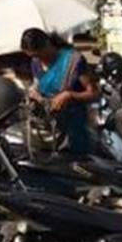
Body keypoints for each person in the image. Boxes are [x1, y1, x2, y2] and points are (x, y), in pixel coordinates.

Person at [21, 27, 99, 156]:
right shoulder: (35, 63)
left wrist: (69, 95)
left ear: (47, 44)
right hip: (49, 130)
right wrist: (34, 93)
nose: (38, 59)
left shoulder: (73, 60)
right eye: (34, 57)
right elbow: (38, 85)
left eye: (39, 55)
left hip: (75, 127)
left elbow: (94, 93)